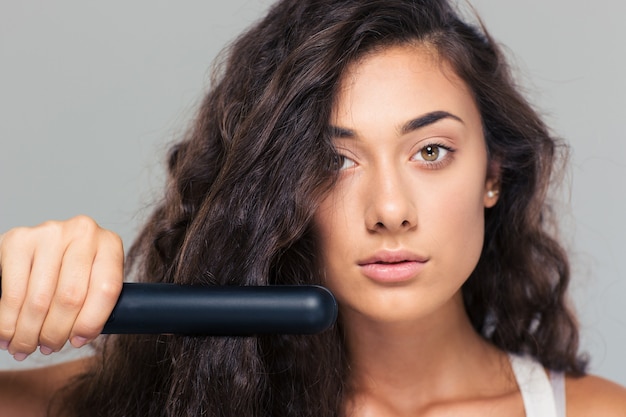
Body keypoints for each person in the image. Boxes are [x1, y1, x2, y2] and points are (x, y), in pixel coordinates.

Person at [1, 0, 625, 415]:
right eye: (334, 161)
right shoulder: (164, 396)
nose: (389, 209)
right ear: (283, 192)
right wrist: (19, 290)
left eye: (431, 150)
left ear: (492, 174)